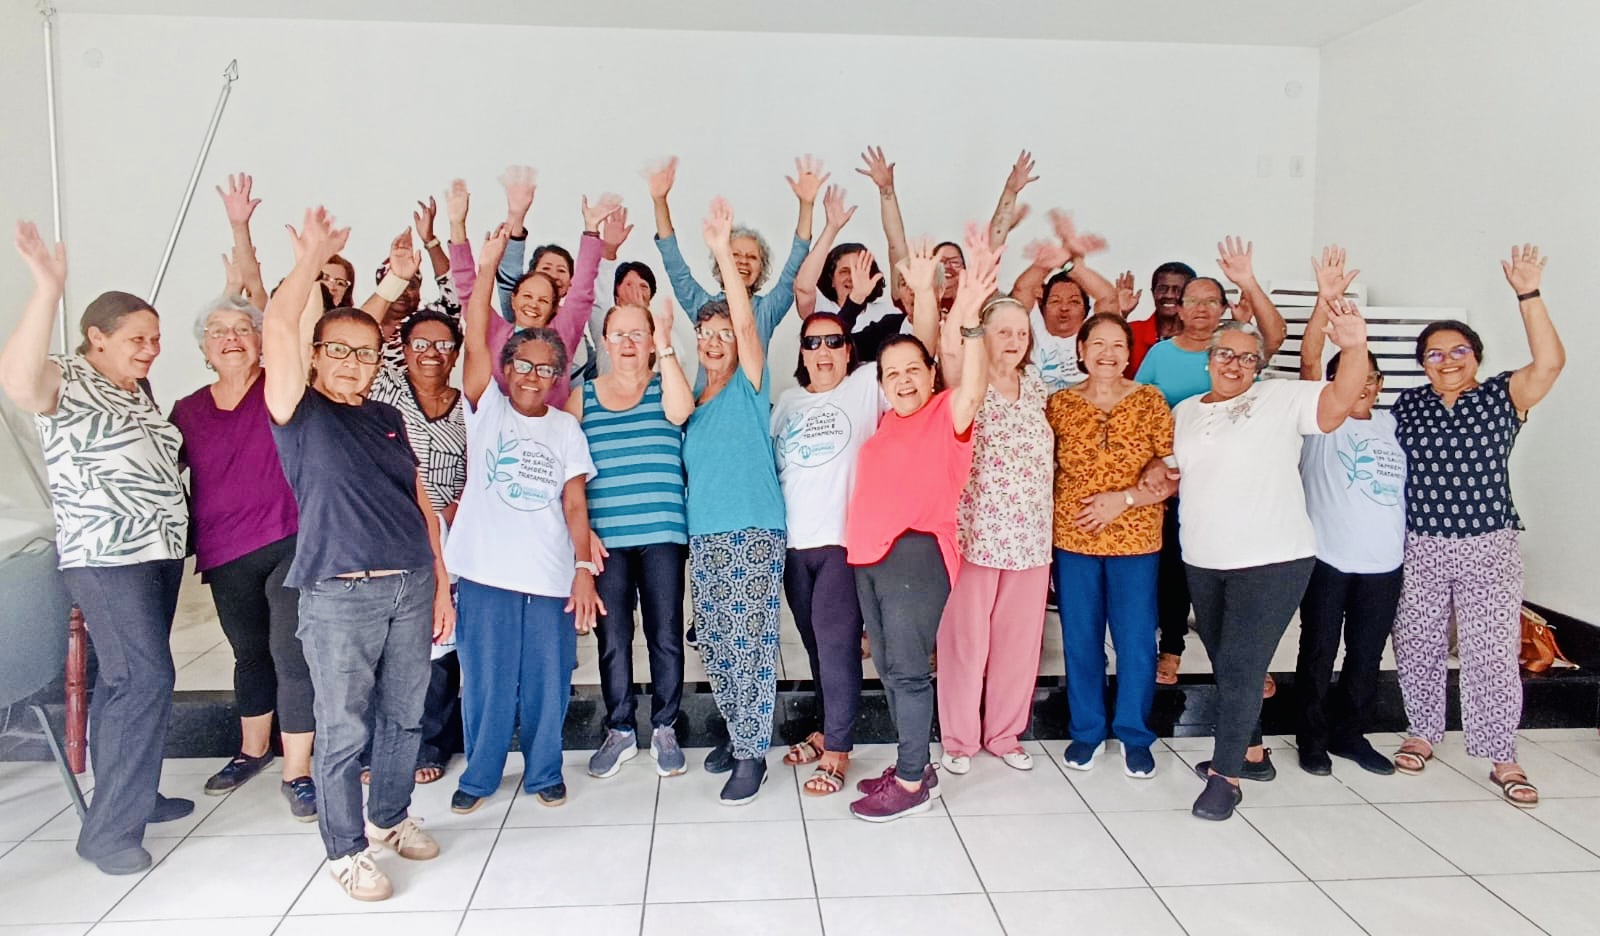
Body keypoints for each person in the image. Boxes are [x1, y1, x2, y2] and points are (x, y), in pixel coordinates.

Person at [263, 207, 454, 901]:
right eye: (337, 352)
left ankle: (390, 817)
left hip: (410, 583)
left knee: (403, 716)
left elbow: (420, 502)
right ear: (315, 356)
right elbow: (281, 325)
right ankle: (345, 849)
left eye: (366, 354)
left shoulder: (386, 415)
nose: (352, 363)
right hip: (339, 593)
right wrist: (309, 262)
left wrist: (440, 583)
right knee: (343, 730)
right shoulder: (298, 411)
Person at [2, 223, 192, 876]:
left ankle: (136, 793)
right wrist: (46, 290)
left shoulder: (136, 391)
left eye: (156, 339)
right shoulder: (68, 379)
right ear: (97, 337)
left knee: (121, 682)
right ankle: (108, 834)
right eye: (138, 339)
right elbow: (17, 381)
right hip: (108, 557)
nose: (151, 349)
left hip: (157, 552)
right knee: (145, 678)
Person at [1170, 304, 1371, 822]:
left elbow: (1339, 402)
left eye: (1247, 358)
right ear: (1209, 359)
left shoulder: (1281, 398)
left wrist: (1353, 346)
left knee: (1241, 666)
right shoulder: (1186, 411)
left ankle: (1226, 778)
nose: (1234, 364)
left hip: (1272, 559)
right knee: (1227, 663)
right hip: (1204, 558)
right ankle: (1253, 754)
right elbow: (1174, 473)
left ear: (1259, 366)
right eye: (1225, 354)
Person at [1389, 245, 1564, 809]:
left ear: (1476, 357)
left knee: (1490, 651)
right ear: (1422, 364)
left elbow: (1549, 364)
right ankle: (1422, 732)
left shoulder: (1501, 396)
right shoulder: (1407, 407)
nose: (1447, 360)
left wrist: (1528, 294)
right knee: (1417, 642)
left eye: (1458, 350)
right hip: (1419, 542)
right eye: (1435, 353)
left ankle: (1500, 753)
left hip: (1489, 543)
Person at [446, 225, 602, 814]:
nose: (534, 376)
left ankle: (544, 771)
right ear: (506, 368)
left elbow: (575, 504)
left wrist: (583, 569)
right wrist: (485, 266)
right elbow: (474, 333)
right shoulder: (484, 408)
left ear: (559, 377)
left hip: (549, 576)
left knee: (547, 681)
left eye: (546, 369)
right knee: (485, 680)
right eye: (524, 365)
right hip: (486, 574)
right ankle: (480, 774)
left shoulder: (566, 429)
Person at [844, 229, 996, 823]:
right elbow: (917, 341)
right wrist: (924, 292)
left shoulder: (946, 414)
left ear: (932, 374)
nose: (904, 379)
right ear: (882, 384)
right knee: (888, 668)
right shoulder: (887, 425)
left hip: (916, 555)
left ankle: (912, 783)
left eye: (914, 370)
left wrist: (971, 320)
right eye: (893, 374)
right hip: (869, 558)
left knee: (907, 671)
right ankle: (914, 763)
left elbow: (973, 387)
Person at [171, 284, 317, 818]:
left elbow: (299, 327)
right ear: (204, 348)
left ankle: (298, 769)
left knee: (290, 651)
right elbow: (160, 474)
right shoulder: (187, 411)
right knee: (249, 653)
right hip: (225, 550)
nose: (230, 339)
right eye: (218, 332)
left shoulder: (281, 389)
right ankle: (253, 751)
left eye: (242, 329)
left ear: (260, 341)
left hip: (289, 538)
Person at [1136, 241, 1287, 686]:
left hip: (1236, 481)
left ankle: (1247, 662)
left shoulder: (1237, 348)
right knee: (1177, 568)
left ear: (1224, 308)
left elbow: (1275, 336)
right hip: (1177, 479)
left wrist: (1248, 281)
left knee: (1238, 573)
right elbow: (1138, 411)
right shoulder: (1160, 355)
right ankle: (1171, 648)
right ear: (1178, 309)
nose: (1201, 308)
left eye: (1210, 300)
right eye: (1192, 300)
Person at [681, 198, 788, 805]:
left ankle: (752, 754)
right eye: (707, 334)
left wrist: (723, 252)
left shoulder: (751, 383)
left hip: (752, 530)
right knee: (719, 643)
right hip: (706, 534)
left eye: (725, 333)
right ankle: (736, 729)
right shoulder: (693, 402)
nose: (717, 341)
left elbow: (748, 328)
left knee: (749, 644)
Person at [568, 298, 694, 781]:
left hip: (662, 532)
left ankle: (665, 727)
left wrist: (666, 343)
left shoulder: (667, 385)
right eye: (618, 334)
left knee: (665, 634)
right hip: (607, 539)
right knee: (614, 637)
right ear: (604, 342)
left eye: (637, 333)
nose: (627, 343)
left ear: (651, 341)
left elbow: (681, 413)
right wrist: (582, 532)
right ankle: (619, 729)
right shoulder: (582, 397)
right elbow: (565, 469)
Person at [1292, 246, 1405, 777]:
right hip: (1328, 560)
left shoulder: (1395, 425)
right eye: (1355, 374)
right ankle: (1311, 739)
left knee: (1365, 656)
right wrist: (1325, 301)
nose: (1365, 383)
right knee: (1318, 652)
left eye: (1373, 377)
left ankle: (1350, 734)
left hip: (1384, 565)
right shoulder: (1321, 421)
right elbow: (1310, 361)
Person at [1046, 313, 1174, 778]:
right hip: (1073, 538)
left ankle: (1135, 734)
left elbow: (1172, 472)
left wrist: (1125, 499)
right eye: (1097, 344)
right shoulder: (1058, 404)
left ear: (1129, 353)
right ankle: (1087, 732)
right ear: (1080, 350)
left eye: (1118, 345)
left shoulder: (1150, 400)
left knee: (1136, 642)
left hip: (1136, 539)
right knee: (1080, 639)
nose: (1107, 353)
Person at [934, 291, 1053, 775]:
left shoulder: (1038, 387)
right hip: (975, 535)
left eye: (1021, 333)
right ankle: (959, 739)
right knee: (965, 643)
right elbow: (949, 348)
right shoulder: (968, 381)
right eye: (1003, 331)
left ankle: (1005, 734)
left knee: (1018, 646)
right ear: (983, 335)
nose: (1014, 340)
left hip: (1031, 539)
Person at [771, 310, 888, 796]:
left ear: (848, 349)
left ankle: (838, 749)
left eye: (833, 342)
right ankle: (824, 729)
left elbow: (919, 357)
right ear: (801, 352)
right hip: (793, 547)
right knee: (816, 646)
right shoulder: (787, 401)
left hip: (841, 542)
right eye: (813, 342)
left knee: (838, 647)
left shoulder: (865, 386)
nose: (823, 351)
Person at [649, 155, 820, 383]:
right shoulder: (702, 305)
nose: (743, 261)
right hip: (706, 402)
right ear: (721, 260)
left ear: (761, 269)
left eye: (752, 257)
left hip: (750, 403)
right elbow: (674, 264)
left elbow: (795, 266)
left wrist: (807, 205)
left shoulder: (767, 310)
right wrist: (659, 201)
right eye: (735, 255)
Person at [1128, 261, 1196, 376]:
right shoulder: (1131, 332)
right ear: (1153, 292)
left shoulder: (1204, 337)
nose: (1169, 295)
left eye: (1178, 290)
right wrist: (1120, 313)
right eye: (1162, 289)